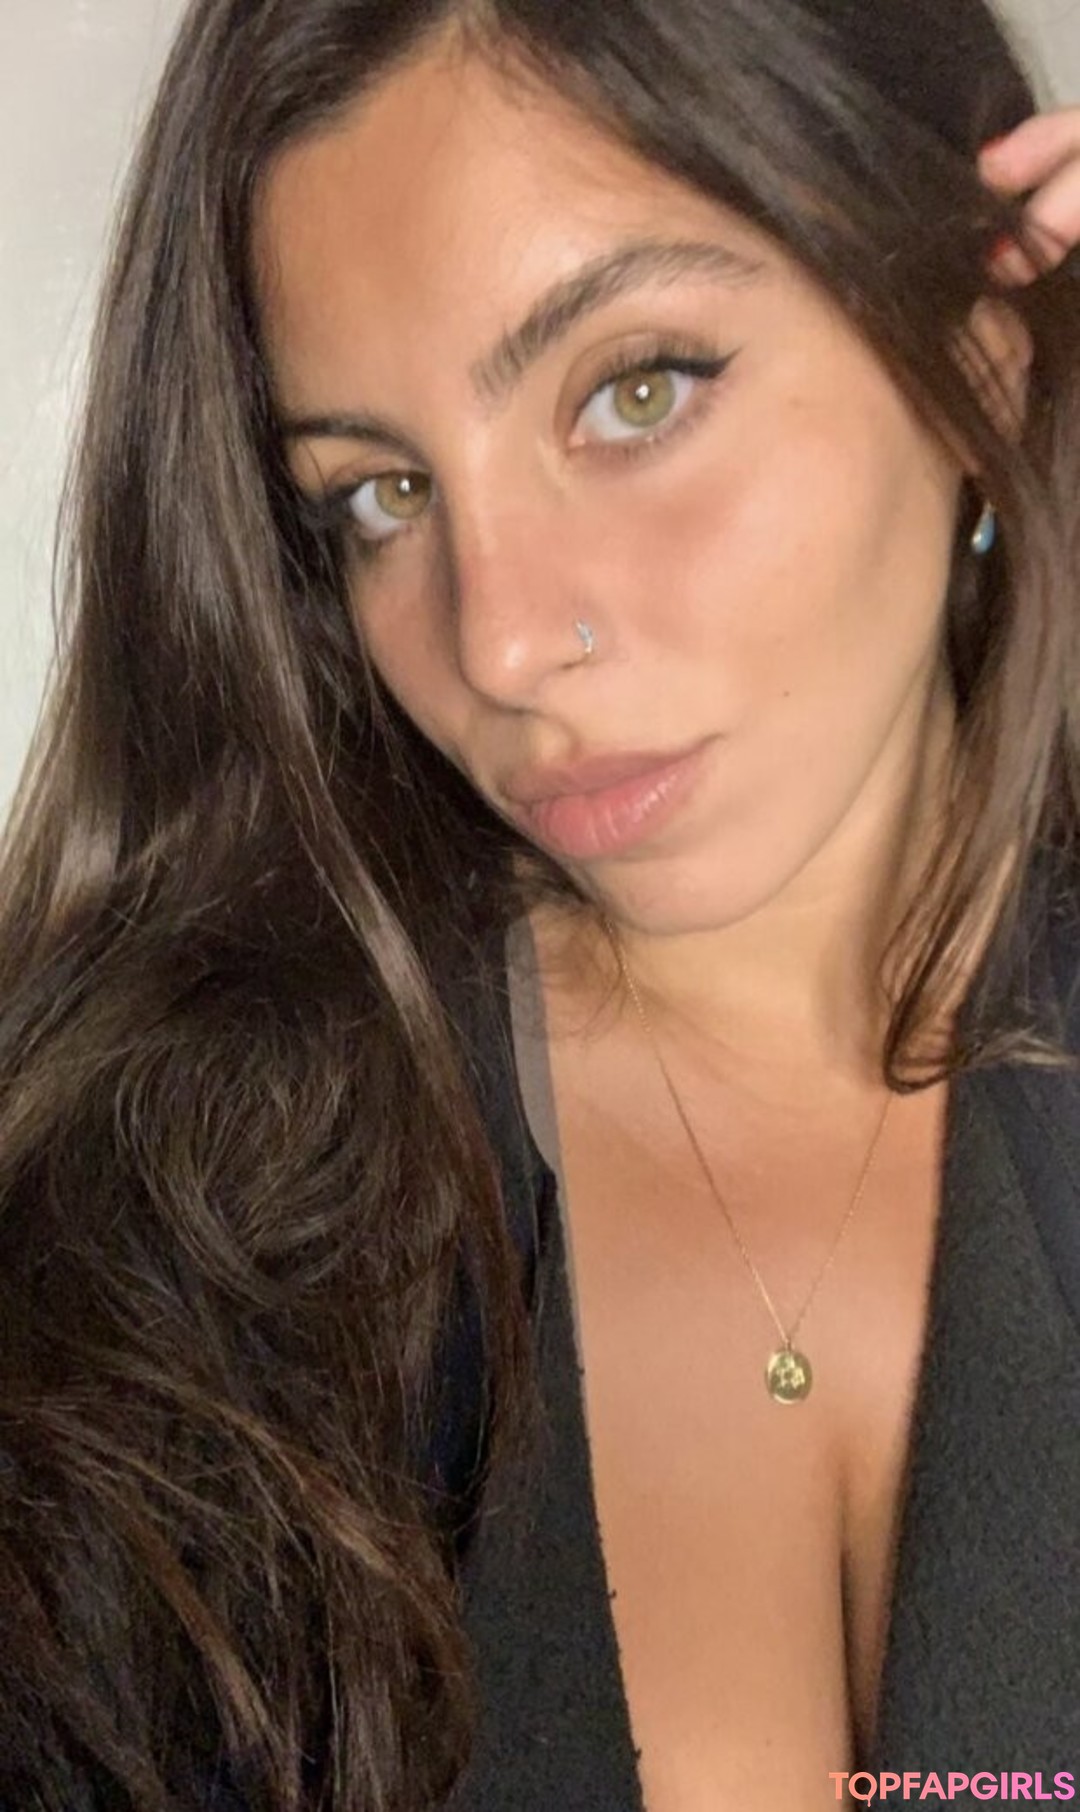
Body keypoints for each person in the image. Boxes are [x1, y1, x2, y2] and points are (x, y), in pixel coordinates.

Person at [1, 2, 1079, 1808]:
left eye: (635, 390)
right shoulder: (164, 1229)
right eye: (379, 495)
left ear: (979, 347)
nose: (499, 641)